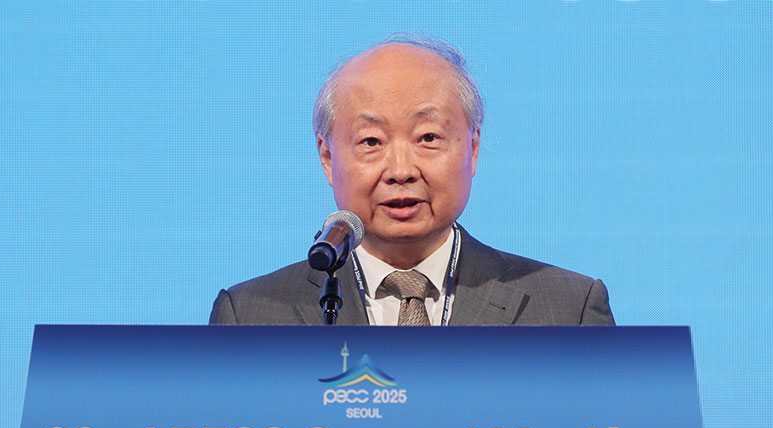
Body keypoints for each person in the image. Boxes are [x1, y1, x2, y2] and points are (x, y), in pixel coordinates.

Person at [210, 35, 614, 326]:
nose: (401, 170)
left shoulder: (568, 310)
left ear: (473, 149)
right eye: (371, 141)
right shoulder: (250, 316)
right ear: (327, 157)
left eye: (428, 138)